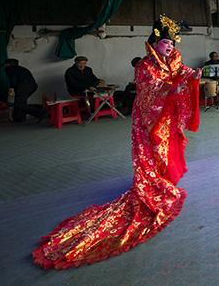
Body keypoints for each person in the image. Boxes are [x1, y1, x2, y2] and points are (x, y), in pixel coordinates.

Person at [33, 15, 202, 269]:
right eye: (166, 42)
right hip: (149, 117)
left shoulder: (174, 59)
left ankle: (166, 177)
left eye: (171, 42)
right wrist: (172, 89)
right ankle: (152, 183)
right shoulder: (144, 66)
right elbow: (150, 90)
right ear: (154, 43)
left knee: (169, 147)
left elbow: (182, 72)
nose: (170, 46)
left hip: (167, 116)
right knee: (153, 149)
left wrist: (193, 75)